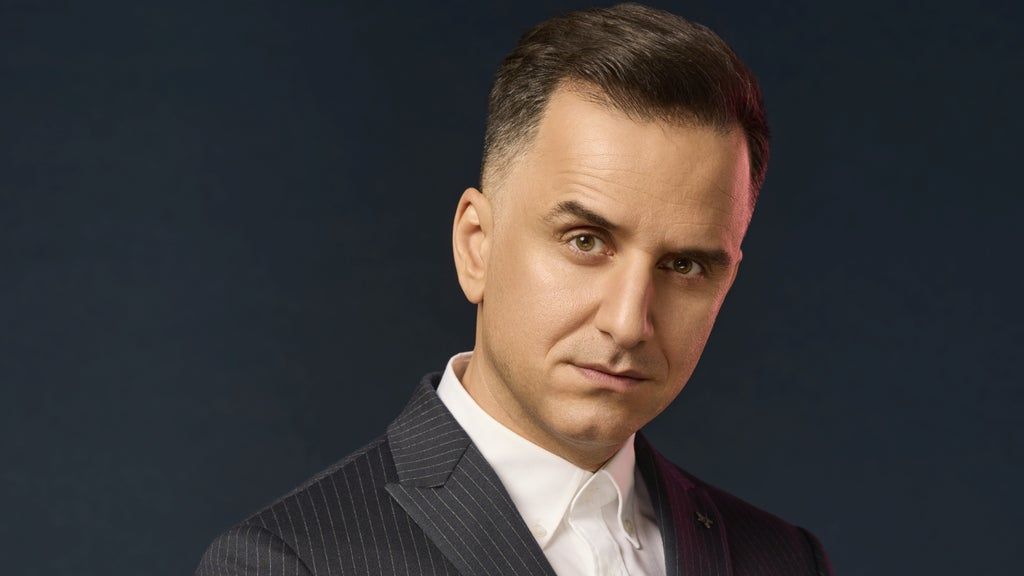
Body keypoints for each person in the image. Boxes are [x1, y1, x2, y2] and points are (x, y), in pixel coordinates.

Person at [196, 3, 834, 575]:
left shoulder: (784, 560)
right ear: (477, 245)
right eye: (585, 241)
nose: (628, 322)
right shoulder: (290, 563)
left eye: (684, 265)